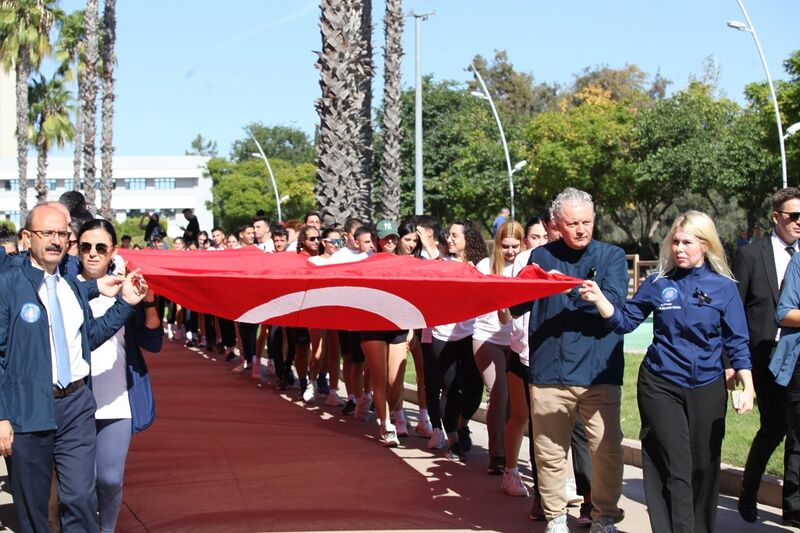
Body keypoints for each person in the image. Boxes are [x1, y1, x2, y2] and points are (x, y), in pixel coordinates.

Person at [580, 210, 754, 533]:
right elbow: (626, 321)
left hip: (707, 383)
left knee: (703, 465)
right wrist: (599, 299)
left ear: (706, 245)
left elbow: (737, 341)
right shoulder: (658, 284)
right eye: (675, 241)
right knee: (676, 464)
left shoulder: (724, 288)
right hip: (660, 383)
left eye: (687, 242)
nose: (679, 248)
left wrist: (748, 386)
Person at [0, 204, 146, 532]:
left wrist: (126, 304)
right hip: (29, 408)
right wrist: (1, 417)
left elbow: (89, 338)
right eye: (46, 233)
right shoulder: (8, 285)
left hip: (77, 405)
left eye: (62, 234)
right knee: (34, 509)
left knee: (80, 498)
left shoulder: (71, 287)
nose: (55, 240)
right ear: (26, 238)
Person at [513, 188, 628, 533]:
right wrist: (537, 286)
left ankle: (604, 516)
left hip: (600, 372)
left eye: (586, 222)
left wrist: (585, 294)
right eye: (572, 223)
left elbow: (617, 306)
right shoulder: (538, 258)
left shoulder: (612, 256)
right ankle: (555, 518)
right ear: (556, 225)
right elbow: (514, 305)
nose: (581, 229)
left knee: (607, 451)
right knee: (548, 453)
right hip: (549, 372)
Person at [76, 219, 163, 533]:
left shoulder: (127, 286)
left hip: (118, 401)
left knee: (109, 479)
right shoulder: (66, 288)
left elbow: (152, 342)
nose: (93, 254)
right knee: (79, 484)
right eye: (86, 247)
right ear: (77, 249)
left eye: (101, 247)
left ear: (113, 250)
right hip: (74, 403)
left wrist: (148, 300)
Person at [734, 187, 800, 523]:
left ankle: (793, 508)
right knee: (774, 427)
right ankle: (748, 490)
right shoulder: (750, 255)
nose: (799, 223)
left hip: (796, 355)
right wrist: (731, 362)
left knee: (796, 431)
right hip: (763, 353)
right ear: (776, 217)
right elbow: (733, 310)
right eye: (794, 216)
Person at [473, 220, 525, 474]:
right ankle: (498, 455)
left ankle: (509, 453)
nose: (510, 251)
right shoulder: (486, 266)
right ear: (497, 245)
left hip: (515, 341)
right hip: (486, 338)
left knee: (515, 403)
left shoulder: (525, 266)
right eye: (505, 246)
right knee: (499, 393)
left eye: (515, 246)